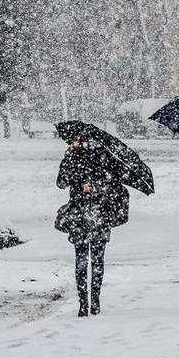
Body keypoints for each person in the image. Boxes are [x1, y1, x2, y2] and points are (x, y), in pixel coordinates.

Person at [55, 136, 129, 317]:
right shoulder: (95, 157)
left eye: (78, 141)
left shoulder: (95, 158)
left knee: (86, 260)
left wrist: (91, 187)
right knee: (92, 260)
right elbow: (61, 183)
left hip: (87, 215)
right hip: (93, 216)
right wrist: (68, 159)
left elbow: (63, 182)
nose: (76, 144)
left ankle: (89, 301)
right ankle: (89, 301)